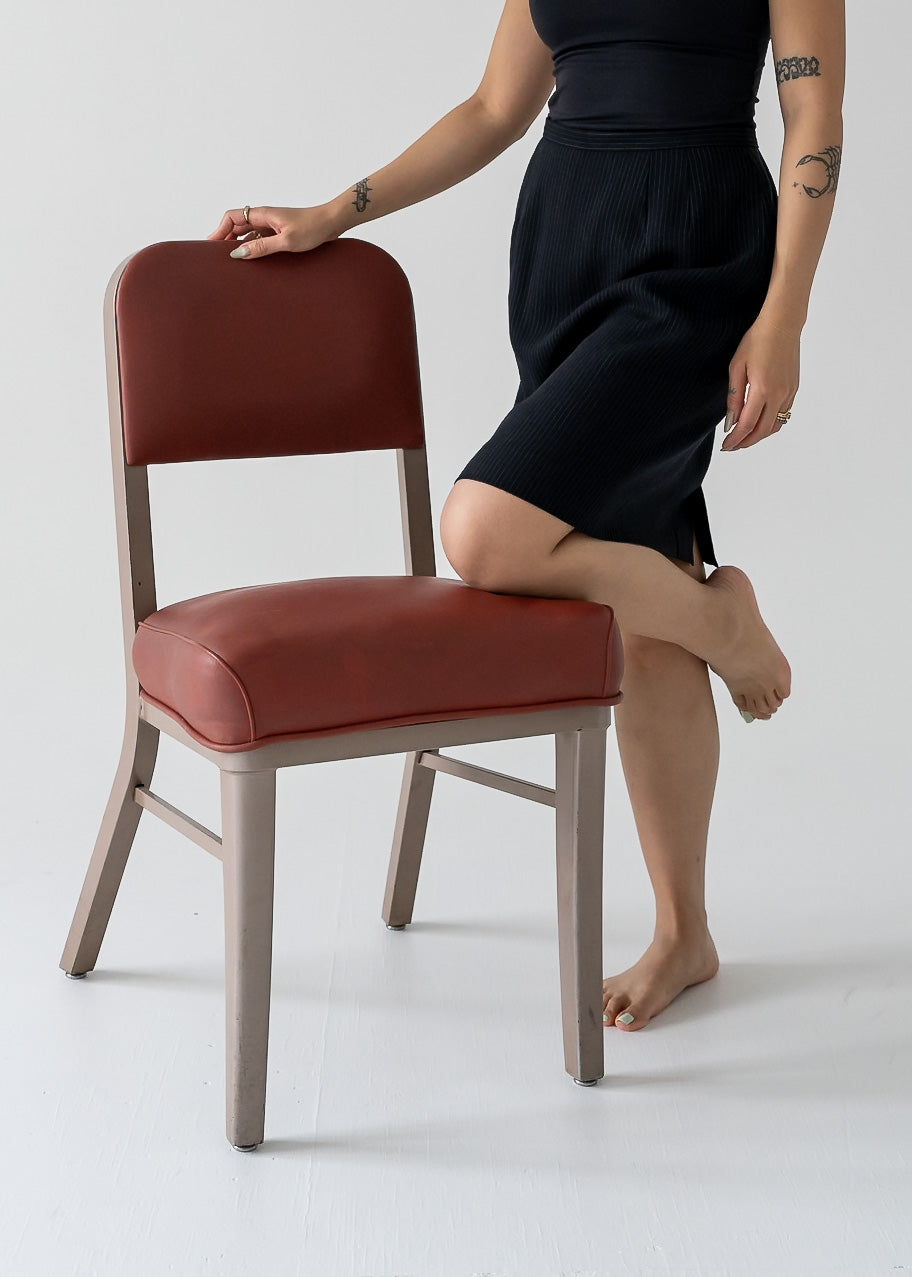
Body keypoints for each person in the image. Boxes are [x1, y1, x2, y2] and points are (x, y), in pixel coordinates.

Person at [209, 0, 845, 1033]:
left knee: (486, 529)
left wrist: (785, 317)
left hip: (698, 244)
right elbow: (494, 108)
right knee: (645, 592)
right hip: (566, 247)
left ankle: (722, 623)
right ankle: (685, 930)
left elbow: (814, 116)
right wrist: (335, 212)